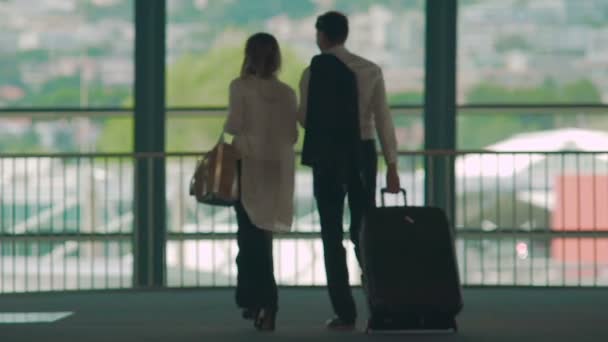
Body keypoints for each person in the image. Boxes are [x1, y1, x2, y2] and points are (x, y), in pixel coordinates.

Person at [298, 11, 401, 330]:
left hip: (328, 155)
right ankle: (380, 304)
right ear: (345, 34)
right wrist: (392, 165)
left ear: (322, 35)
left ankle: (344, 312)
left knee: (331, 233)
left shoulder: (311, 73)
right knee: (363, 232)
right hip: (362, 153)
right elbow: (383, 119)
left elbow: (304, 118)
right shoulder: (370, 70)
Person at [223, 32, 298, 332]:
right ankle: (255, 301)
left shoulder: (239, 87)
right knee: (261, 237)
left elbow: (233, 125)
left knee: (250, 237)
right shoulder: (287, 92)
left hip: (249, 165)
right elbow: (292, 135)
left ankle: (263, 300)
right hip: (278, 169)